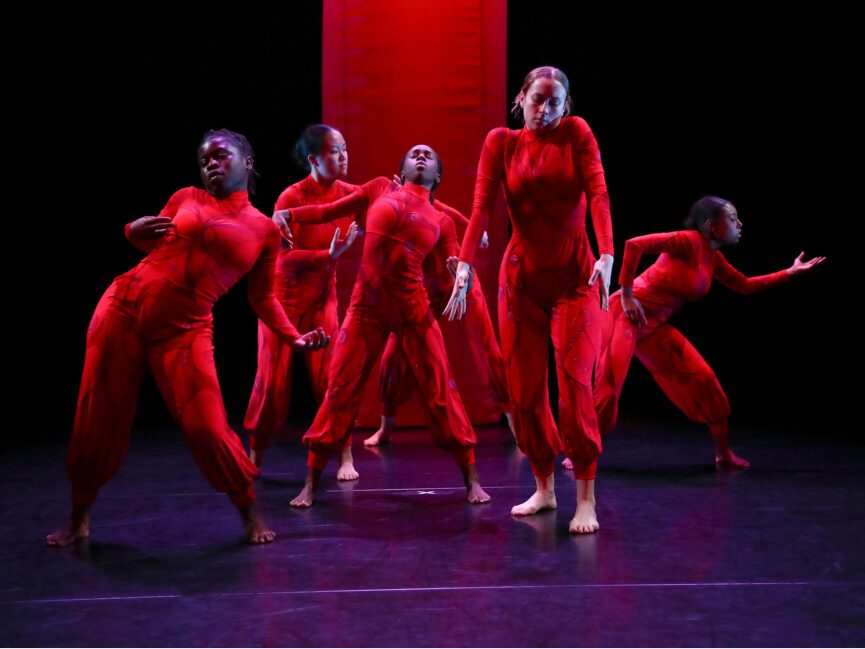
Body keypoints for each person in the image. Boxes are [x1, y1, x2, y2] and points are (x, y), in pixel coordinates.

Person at [46, 129, 329, 547]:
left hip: (185, 330)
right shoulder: (186, 198)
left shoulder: (265, 231)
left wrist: (294, 338)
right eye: (204, 160)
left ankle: (249, 512)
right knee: (97, 415)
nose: (210, 164)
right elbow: (152, 244)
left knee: (209, 428)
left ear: (246, 163)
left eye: (220, 156)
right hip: (122, 307)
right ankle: (79, 516)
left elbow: (264, 297)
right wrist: (132, 231)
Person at [446, 66, 614, 534]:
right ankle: (543, 487)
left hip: (575, 277)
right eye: (537, 99)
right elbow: (481, 205)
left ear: (566, 107)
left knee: (575, 384)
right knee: (523, 391)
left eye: (554, 102)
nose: (545, 109)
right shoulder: (500, 142)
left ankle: (586, 496)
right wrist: (463, 263)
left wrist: (606, 252)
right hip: (520, 278)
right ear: (520, 99)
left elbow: (598, 192)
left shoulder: (576, 134)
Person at [279, 144, 491, 508]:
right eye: (414, 154)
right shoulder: (379, 188)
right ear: (402, 168)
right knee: (340, 388)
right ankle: (311, 482)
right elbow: (330, 209)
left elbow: (454, 262)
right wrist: (289, 213)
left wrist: (460, 274)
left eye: (429, 156)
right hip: (366, 310)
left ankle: (470, 477)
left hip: (413, 312)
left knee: (441, 392)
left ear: (437, 175)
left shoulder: (441, 221)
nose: (421, 156)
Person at [593, 196, 825, 468]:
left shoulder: (712, 258)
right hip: (626, 315)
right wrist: (627, 294)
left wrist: (789, 272)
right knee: (609, 384)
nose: (739, 224)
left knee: (704, 378)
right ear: (711, 225)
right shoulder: (686, 241)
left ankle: (723, 453)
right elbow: (635, 245)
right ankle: (583, 452)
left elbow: (745, 285)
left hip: (653, 326)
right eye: (732, 218)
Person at [244, 125, 359, 479]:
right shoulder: (290, 199)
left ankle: (345, 455)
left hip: (322, 299)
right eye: (334, 151)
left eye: (344, 149)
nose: (343, 156)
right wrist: (328, 255)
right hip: (284, 299)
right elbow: (282, 260)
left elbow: (395, 200)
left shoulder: (351, 194)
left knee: (332, 378)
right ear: (313, 159)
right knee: (272, 385)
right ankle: (256, 456)